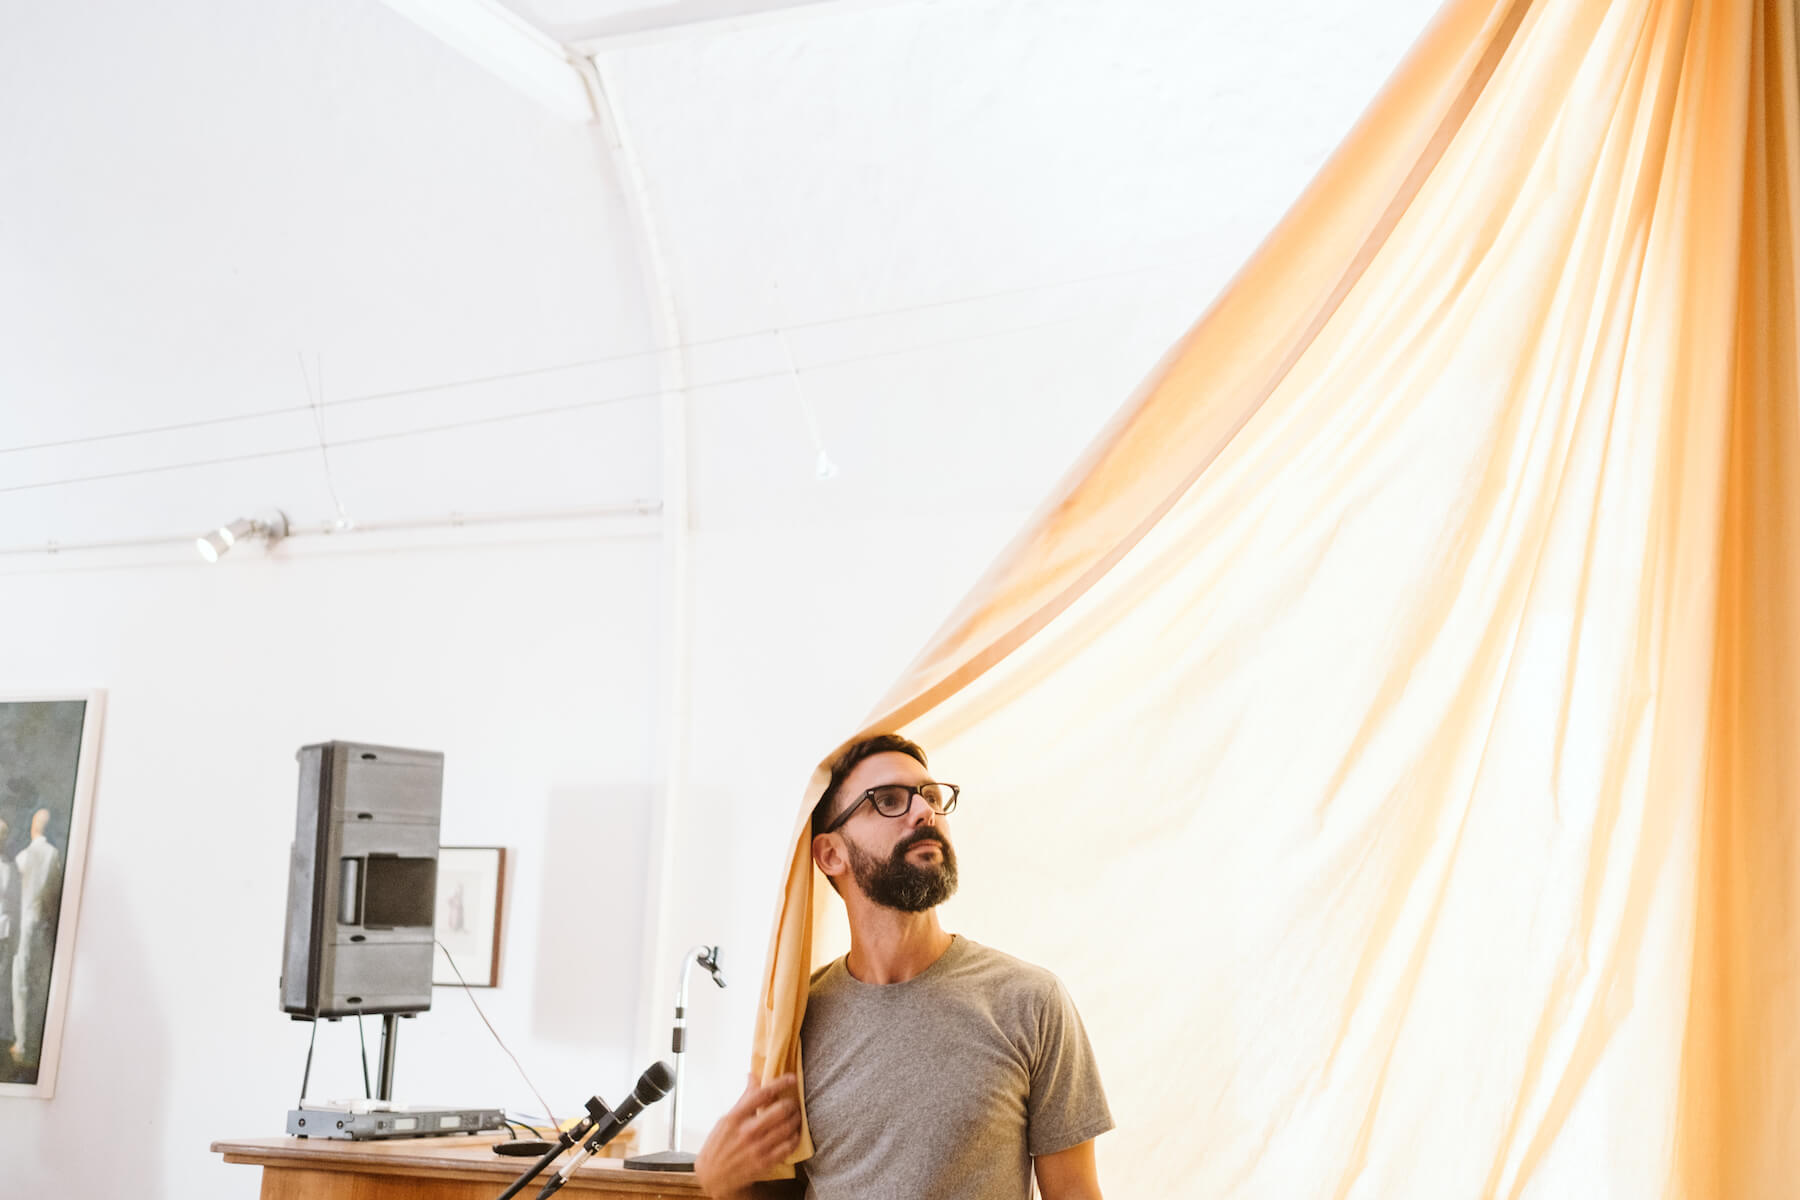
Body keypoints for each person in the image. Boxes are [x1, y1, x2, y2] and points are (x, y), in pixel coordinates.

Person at [696, 734, 1112, 1200]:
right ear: (831, 854)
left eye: (930, 796)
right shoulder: (795, 1020)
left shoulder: (1031, 1002)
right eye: (889, 800)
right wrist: (720, 1185)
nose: (924, 812)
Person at [12, 808, 62, 1067]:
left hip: (24, 926)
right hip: (43, 927)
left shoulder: (23, 857)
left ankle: (21, 1044)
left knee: (21, 984)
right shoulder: (54, 855)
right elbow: (53, 897)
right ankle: (34, 1044)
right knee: (39, 984)